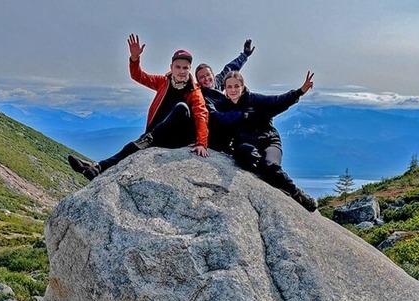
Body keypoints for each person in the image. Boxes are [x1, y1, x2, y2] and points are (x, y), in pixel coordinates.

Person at [67, 34, 209, 180]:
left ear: (189, 69)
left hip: (177, 137)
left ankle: (99, 165)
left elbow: (201, 115)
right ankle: (96, 168)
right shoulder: (163, 82)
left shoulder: (194, 91)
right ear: (171, 67)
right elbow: (139, 76)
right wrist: (135, 58)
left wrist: (201, 144)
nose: (181, 71)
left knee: (181, 108)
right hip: (155, 134)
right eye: (178, 67)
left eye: (185, 68)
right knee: (130, 148)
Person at [219, 70, 318, 212]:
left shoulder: (255, 100)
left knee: (270, 166)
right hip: (246, 144)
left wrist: (300, 91)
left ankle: (297, 194)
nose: (233, 90)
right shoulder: (224, 106)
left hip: (269, 141)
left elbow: (278, 102)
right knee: (244, 154)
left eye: (236, 86)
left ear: (242, 86)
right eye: (229, 87)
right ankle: (271, 178)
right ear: (225, 89)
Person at [195, 39, 255, 152]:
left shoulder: (217, 83)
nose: (206, 79)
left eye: (208, 75)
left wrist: (245, 55)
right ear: (198, 81)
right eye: (202, 77)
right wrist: (241, 115)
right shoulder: (201, 97)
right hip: (217, 135)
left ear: (213, 75)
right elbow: (217, 117)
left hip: (229, 125)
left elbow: (230, 68)